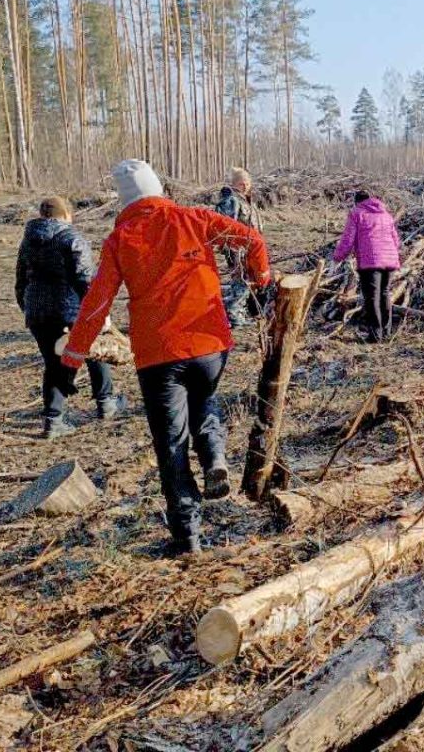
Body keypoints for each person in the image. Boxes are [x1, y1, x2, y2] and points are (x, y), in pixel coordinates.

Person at [60, 160, 271, 556]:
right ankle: (214, 456)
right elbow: (253, 241)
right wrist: (261, 279)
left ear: (124, 199)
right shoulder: (196, 218)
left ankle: (187, 537)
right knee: (204, 399)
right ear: (157, 188)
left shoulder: (120, 239)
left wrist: (72, 358)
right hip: (210, 344)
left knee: (171, 443)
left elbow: (96, 304)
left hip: (157, 355)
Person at [15, 197, 125, 439]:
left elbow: (21, 279)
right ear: (65, 214)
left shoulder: (28, 240)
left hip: (37, 312)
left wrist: (28, 308)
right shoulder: (71, 238)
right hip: (70, 310)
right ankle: (106, 402)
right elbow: (85, 279)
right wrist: (99, 313)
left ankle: (53, 419)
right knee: (95, 352)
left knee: (54, 364)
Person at [334, 190, 401, 343]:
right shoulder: (386, 215)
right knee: (384, 293)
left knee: (372, 297)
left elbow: (348, 239)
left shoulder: (357, 213)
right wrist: (392, 256)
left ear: (357, 201)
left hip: (370, 262)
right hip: (390, 260)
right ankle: (386, 332)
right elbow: (396, 241)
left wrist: (338, 257)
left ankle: (375, 335)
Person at [214, 167, 262, 326]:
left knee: (247, 279)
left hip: (249, 248)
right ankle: (234, 314)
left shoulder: (246, 200)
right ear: (235, 184)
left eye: (247, 183)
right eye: (242, 183)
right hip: (237, 249)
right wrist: (232, 249)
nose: (246, 186)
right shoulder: (231, 201)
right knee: (241, 280)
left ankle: (238, 311)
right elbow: (227, 227)